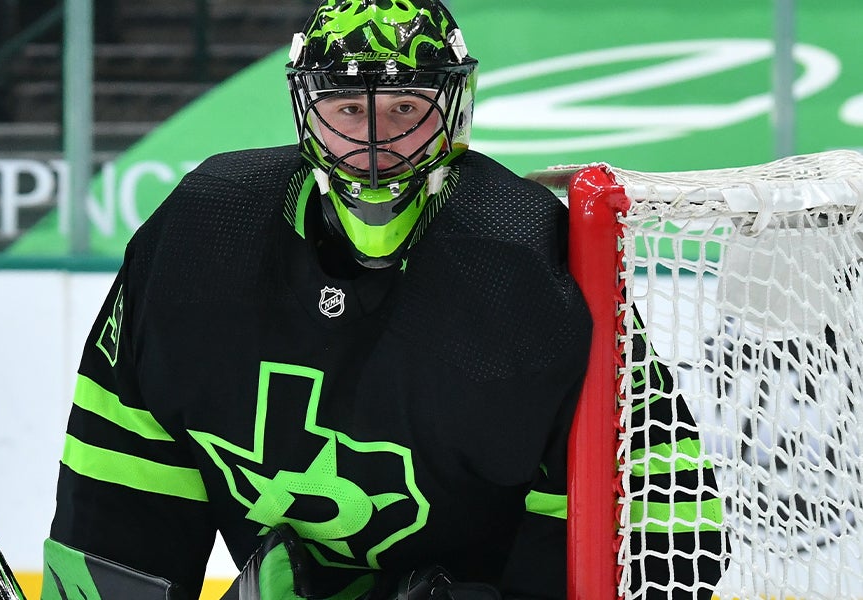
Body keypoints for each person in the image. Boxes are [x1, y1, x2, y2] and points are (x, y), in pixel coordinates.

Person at [40, 1, 726, 598]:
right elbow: (126, 468)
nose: (375, 144)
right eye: (346, 108)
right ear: (306, 112)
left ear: (452, 112)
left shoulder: (530, 264)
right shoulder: (203, 234)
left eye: (405, 109)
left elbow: (673, 515)